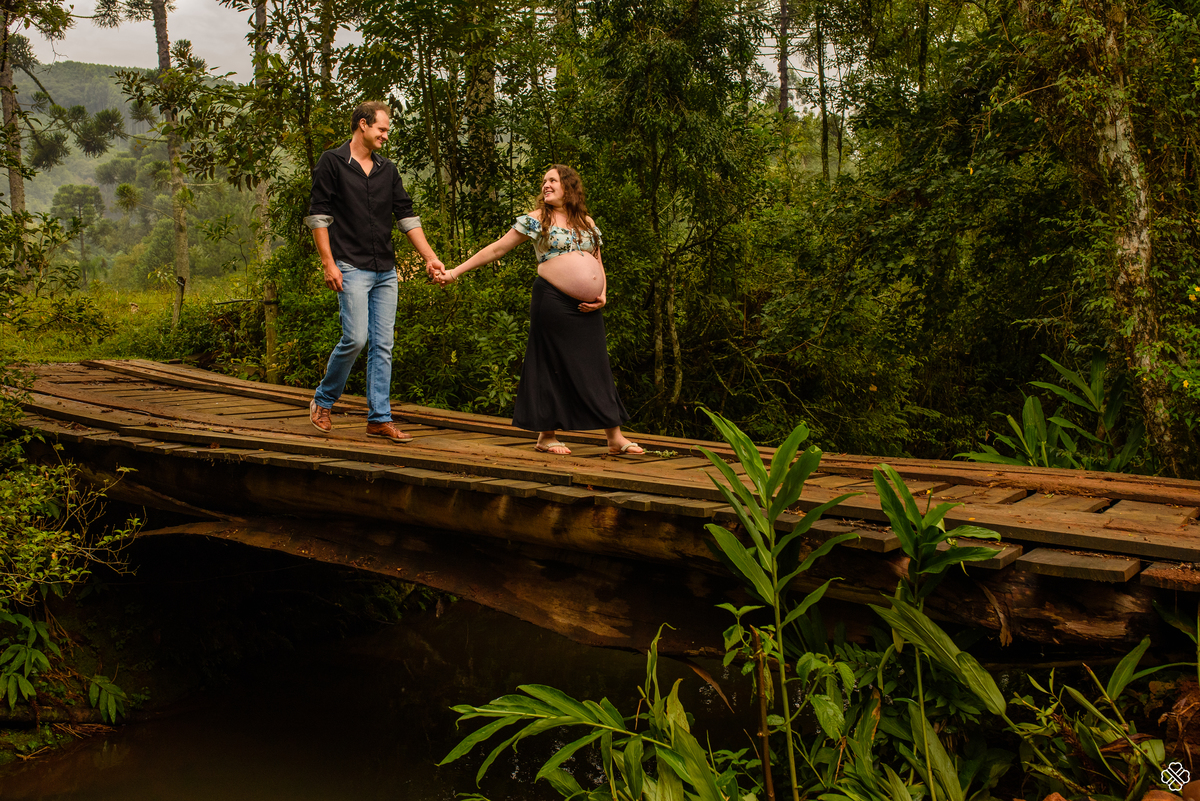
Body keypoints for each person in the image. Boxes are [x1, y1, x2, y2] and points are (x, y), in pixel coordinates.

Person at [433, 165, 643, 456]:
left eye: (552, 180)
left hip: (589, 306)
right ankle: (546, 436)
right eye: (544, 181)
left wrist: (603, 293)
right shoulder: (537, 220)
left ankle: (614, 437)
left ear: (568, 186)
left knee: (596, 364)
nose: (546, 185)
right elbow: (497, 249)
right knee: (550, 362)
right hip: (552, 300)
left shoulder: (586, 221)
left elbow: (597, 259)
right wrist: (455, 272)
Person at [305, 101, 444, 442]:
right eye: (382, 129)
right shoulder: (332, 162)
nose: (385, 136)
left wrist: (430, 257)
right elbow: (319, 216)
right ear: (363, 125)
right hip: (350, 265)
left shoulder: (387, 170)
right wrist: (328, 263)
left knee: (383, 345)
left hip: (385, 269)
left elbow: (406, 217)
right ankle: (323, 400)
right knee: (355, 338)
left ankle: (379, 418)